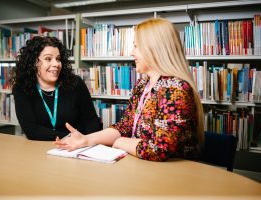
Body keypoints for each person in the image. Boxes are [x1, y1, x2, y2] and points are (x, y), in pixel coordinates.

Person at [54, 18, 204, 161]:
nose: (132, 52)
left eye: (136, 46)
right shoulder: (142, 84)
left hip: (174, 174)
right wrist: (87, 139)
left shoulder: (176, 90)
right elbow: (126, 126)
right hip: (143, 166)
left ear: (155, 49)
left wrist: (120, 142)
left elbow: (158, 149)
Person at [10, 36, 101, 141]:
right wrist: (69, 137)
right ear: (34, 63)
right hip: (39, 148)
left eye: (58, 59)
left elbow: (92, 121)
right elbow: (32, 130)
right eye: (48, 59)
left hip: (78, 146)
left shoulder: (75, 83)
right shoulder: (22, 88)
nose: (56, 64)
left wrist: (86, 141)